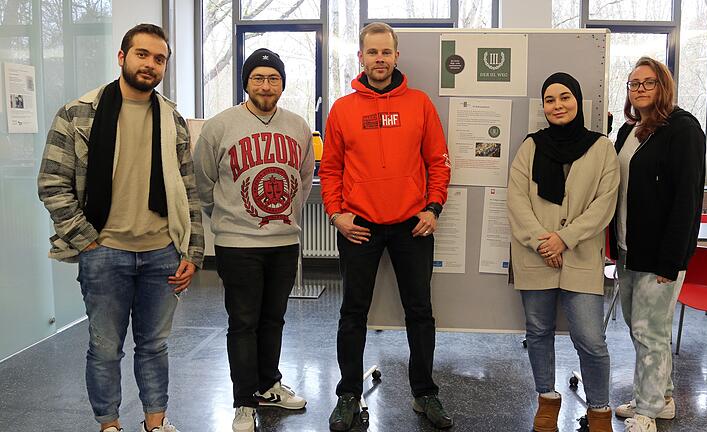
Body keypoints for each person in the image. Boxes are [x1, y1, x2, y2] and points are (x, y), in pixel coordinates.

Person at [37, 23, 204, 432]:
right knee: (105, 348)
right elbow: (52, 182)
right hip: (103, 251)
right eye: (142, 54)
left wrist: (192, 251)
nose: (150, 64)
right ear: (122, 57)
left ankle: (156, 422)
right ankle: (109, 425)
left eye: (159, 58)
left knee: (154, 346)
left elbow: (187, 189)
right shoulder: (78, 114)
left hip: (161, 250)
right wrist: (86, 239)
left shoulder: (173, 119)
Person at [319, 22, 453, 431]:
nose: (379, 59)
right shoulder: (343, 108)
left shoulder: (419, 104)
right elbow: (330, 169)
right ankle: (347, 395)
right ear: (361, 57)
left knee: (420, 312)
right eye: (372, 52)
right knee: (352, 313)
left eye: (386, 52)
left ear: (397, 56)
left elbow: (438, 162)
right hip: (359, 226)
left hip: (412, 225)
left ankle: (424, 393)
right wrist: (336, 214)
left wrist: (433, 208)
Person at [193, 48, 314, 432]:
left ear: (282, 84)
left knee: (273, 319)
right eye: (258, 77)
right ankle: (244, 401)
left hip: (283, 240)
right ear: (246, 82)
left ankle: (268, 385)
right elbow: (203, 181)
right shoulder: (220, 125)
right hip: (238, 243)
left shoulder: (297, 125)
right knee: (243, 322)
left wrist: (284, 216)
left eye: (273, 78)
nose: (266, 85)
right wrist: (228, 217)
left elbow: (304, 179)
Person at [507, 72, 619, 432]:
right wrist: (543, 240)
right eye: (550, 99)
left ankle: (599, 411)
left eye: (565, 97)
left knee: (590, 338)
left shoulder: (602, 148)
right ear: (543, 106)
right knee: (538, 332)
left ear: (578, 101)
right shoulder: (530, 146)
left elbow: (604, 205)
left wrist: (564, 239)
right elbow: (516, 199)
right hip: (535, 255)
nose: (557, 105)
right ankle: (547, 401)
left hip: (581, 255)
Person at [609, 57, 705, 432]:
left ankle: (646, 411)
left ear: (663, 86)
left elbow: (687, 199)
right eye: (634, 84)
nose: (640, 90)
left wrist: (672, 261)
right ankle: (661, 397)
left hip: (661, 256)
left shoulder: (683, 129)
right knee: (643, 327)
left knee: (649, 330)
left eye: (648, 83)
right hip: (628, 248)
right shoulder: (629, 131)